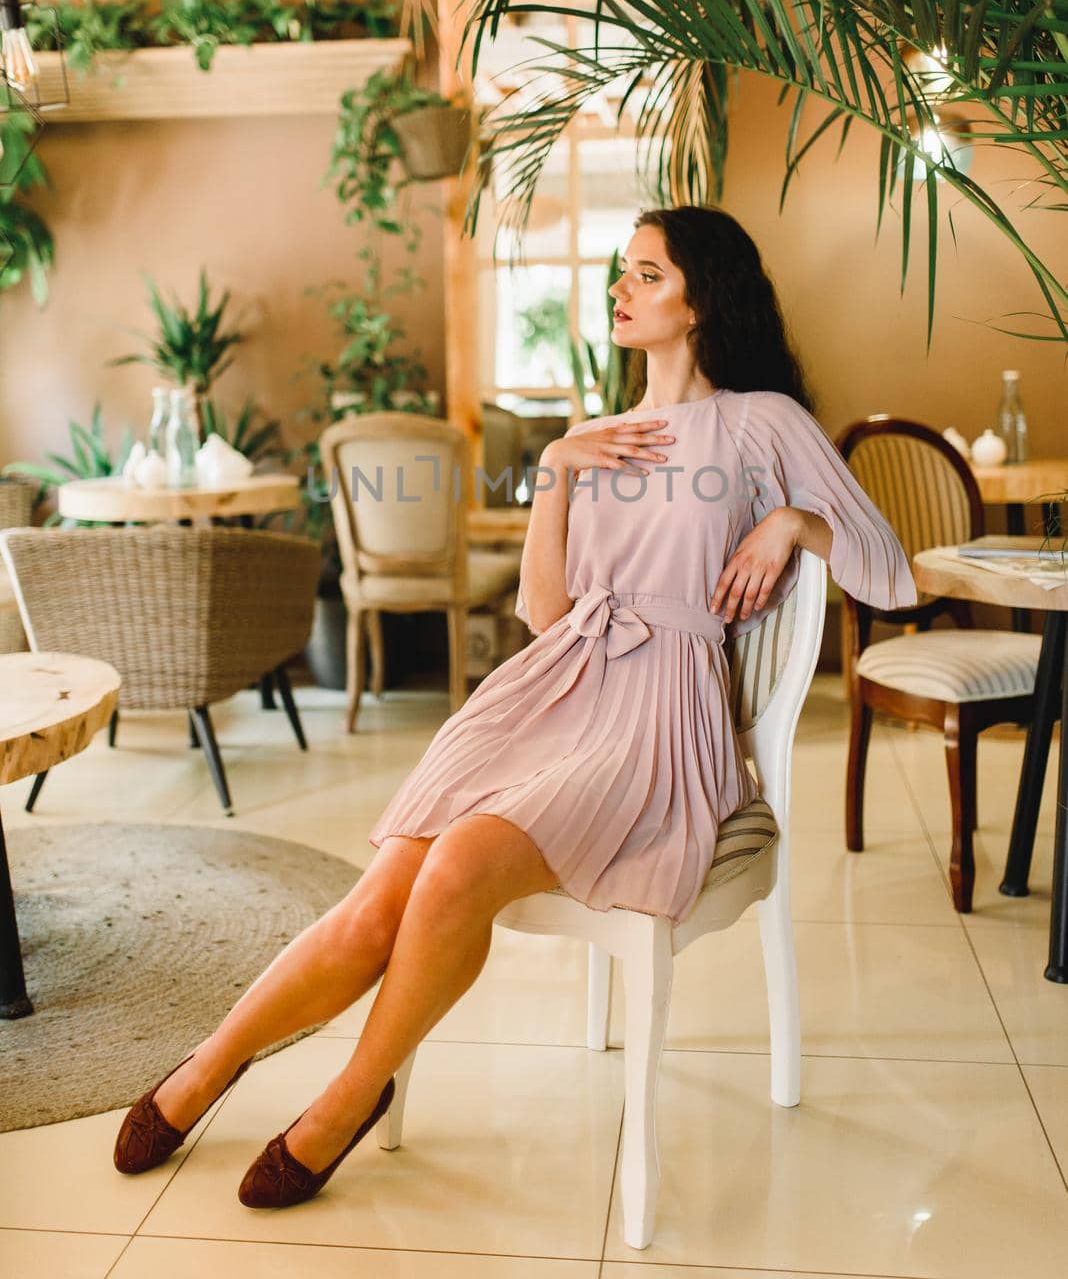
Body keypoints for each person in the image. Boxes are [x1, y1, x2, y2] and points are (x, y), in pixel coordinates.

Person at [113, 204, 917, 1207]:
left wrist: (793, 522)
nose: (620, 289)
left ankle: (346, 1099)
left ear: (703, 298)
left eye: (648, 275)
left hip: (656, 719)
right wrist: (553, 470)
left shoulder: (761, 423)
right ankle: (209, 1065)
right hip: (552, 691)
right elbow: (545, 611)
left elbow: (893, 572)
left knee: (455, 867)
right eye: (622, 271)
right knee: (381, 899)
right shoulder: (591, 436)